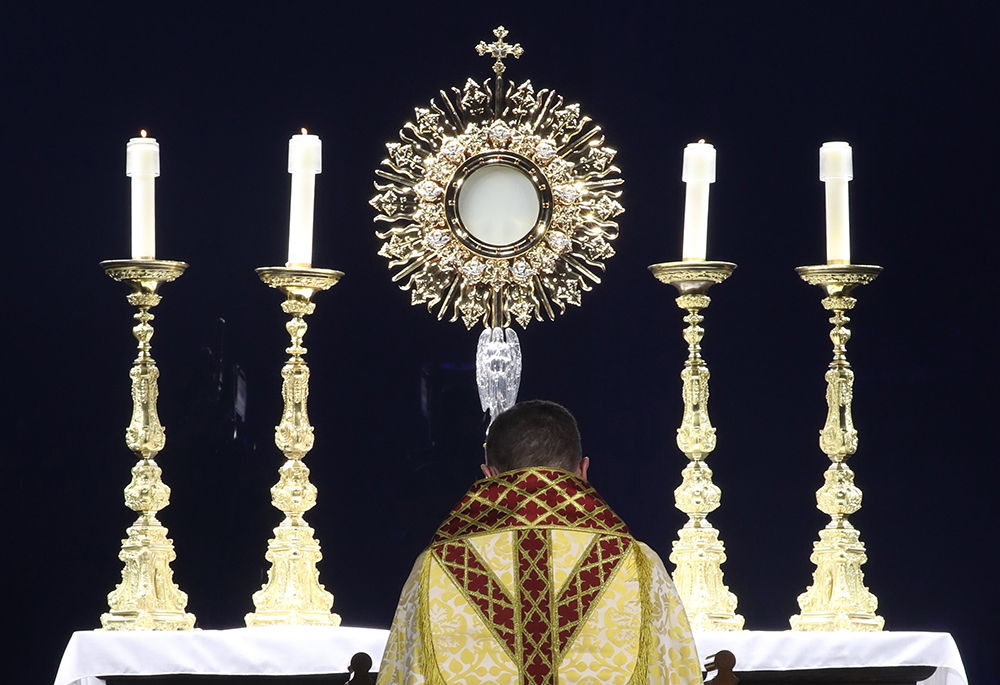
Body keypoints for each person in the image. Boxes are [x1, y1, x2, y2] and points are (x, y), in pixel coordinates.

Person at [377, 400, 702, 685]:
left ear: (488, 476)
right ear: (583, 470)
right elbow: (677, 672)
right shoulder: (638, 561)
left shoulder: (437, 565)